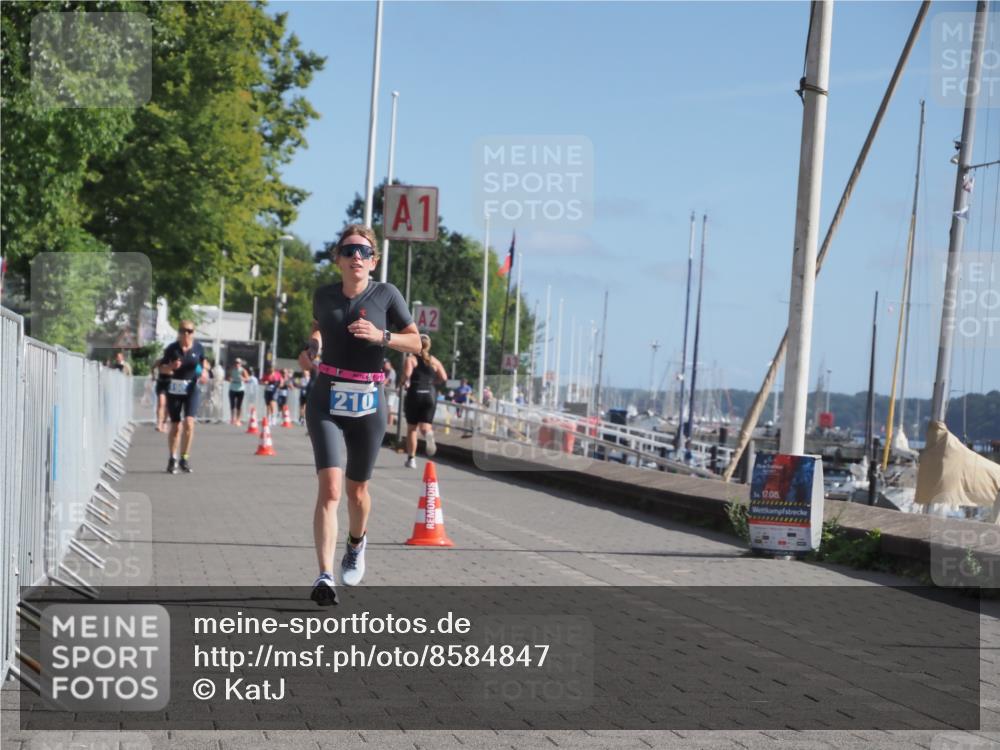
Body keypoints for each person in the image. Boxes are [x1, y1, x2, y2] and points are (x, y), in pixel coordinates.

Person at [298, 224, 420, 605]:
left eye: (364, 252)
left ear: (374, 261)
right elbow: (320, 328)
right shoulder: (324, 296)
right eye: (349, 250)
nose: (356, 257)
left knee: (357, 490)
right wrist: (311, 348)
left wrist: (382, 337)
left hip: (368, 401)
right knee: (331, 489)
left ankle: (356, 542)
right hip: (326, 398)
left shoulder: (387, 295)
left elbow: (417, 342)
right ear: (337, 258)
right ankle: (324, 576)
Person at [160, 321, 209, 474]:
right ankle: (172, 458)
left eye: (189, 331)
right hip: (174, 388)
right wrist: (170, 367)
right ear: (179, 332)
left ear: (193, 332)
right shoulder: (172, 348)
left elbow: (204, 363)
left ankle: (184, 458)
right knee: (176, 427)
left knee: (189, 422)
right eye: (183, 331)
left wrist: (205, 372)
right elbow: (161, 367)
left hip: (191, 388)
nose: (186, 334)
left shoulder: (198, 347)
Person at [403, 334, 448, 468]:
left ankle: (411, 459)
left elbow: (406, 375)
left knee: (412, 429)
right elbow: (444, 377)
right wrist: (433, 382)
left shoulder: (411, 359)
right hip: (430, 393)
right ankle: (428, 434)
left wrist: (403, 382)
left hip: (415, 392)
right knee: (425, 426)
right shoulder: (434, 360)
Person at [227, 358, 250, 426]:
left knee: (239, 405)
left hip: (240, 389)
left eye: (238, 363)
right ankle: (232, 419)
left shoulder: (243, 370)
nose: (237, 364)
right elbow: (228, 377)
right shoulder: (232, 369)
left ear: (240, 364)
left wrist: (243, 378)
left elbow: (248, 379)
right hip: (232, 388)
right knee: (232, 404)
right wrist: (229, 379)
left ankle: (238, 420)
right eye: (236, 363)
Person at [153, 356, 171, 432]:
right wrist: (154, 376)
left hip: (171, 383)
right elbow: (153, 367)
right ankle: (159, 423)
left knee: (168, 405)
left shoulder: (173, 361)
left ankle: (164, 422)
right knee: (161, 403)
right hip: (161, 383)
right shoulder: (160, 361)